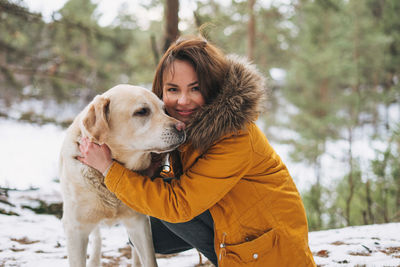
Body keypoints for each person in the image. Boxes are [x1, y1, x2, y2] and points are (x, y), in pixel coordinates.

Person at [78, 36, 316, 266]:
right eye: (173, 89)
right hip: (240, 235)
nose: (183, 100)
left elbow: (179, 205)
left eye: (195, 88)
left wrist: (108, 169)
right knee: (149, 225)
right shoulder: (185, 127)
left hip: (273, 256)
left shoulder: (236, 136)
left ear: (212, 87)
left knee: (167, 206)